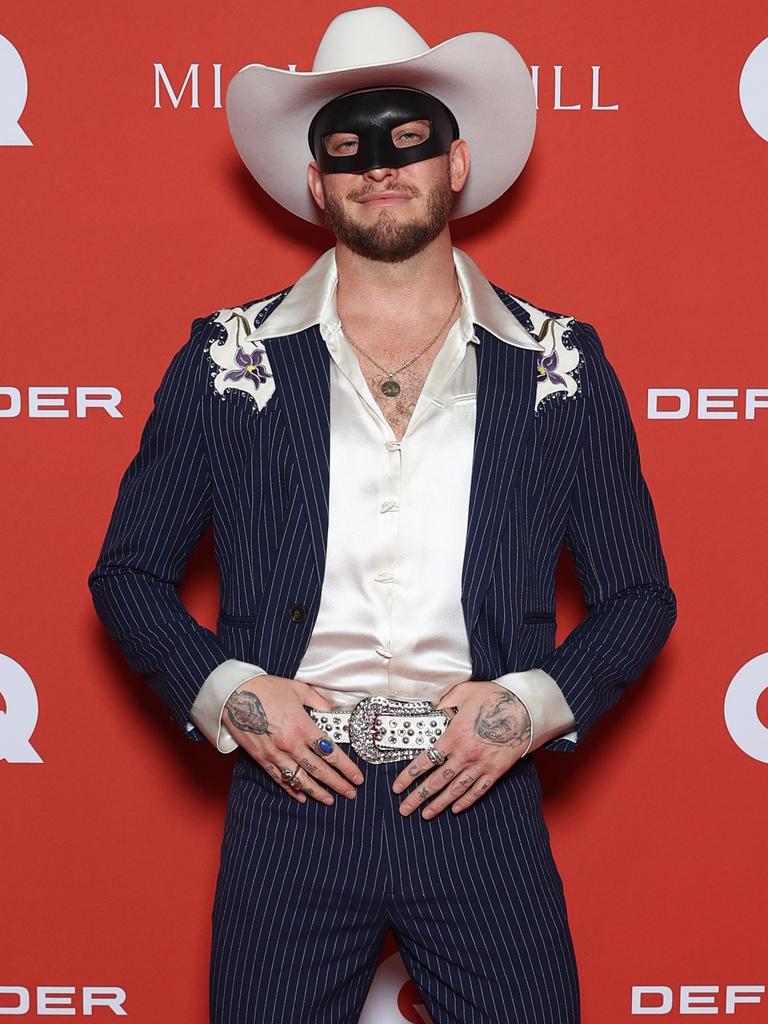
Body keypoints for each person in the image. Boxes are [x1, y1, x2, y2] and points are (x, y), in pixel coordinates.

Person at [88, 7, 677, 1023]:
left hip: (478, 797)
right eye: (347, 146)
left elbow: (638, 597)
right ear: (317, 182)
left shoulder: (562, 365)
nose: (379, 165)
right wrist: (230, 692)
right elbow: (127, 572)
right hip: (294, 801)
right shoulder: (228, 361)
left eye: (407, 138)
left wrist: (525, 710)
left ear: (456, 163)